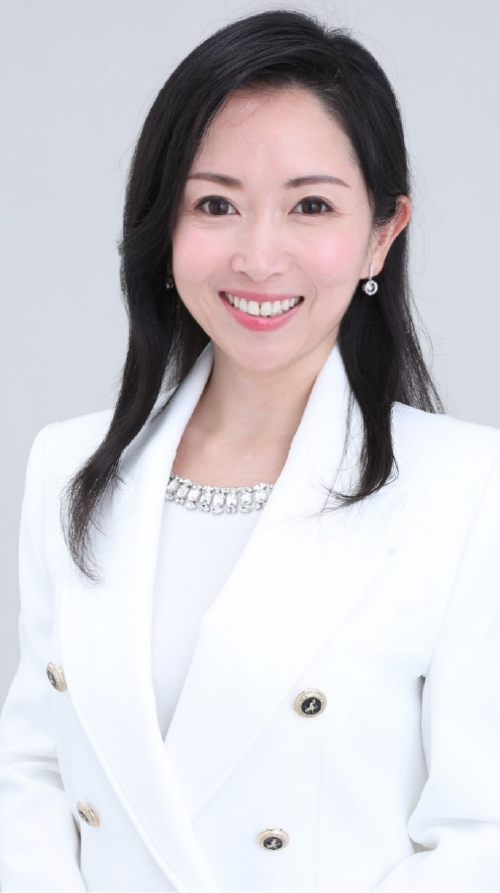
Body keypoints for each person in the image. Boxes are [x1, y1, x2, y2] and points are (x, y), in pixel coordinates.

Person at [1, 8, 500, 892]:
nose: (259, 257)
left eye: (311, 205)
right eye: (216, 204)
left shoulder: (466, 489)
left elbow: (480, 836)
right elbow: (34, 772)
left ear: (382, 233)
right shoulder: (68, 470)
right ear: (164, 226)